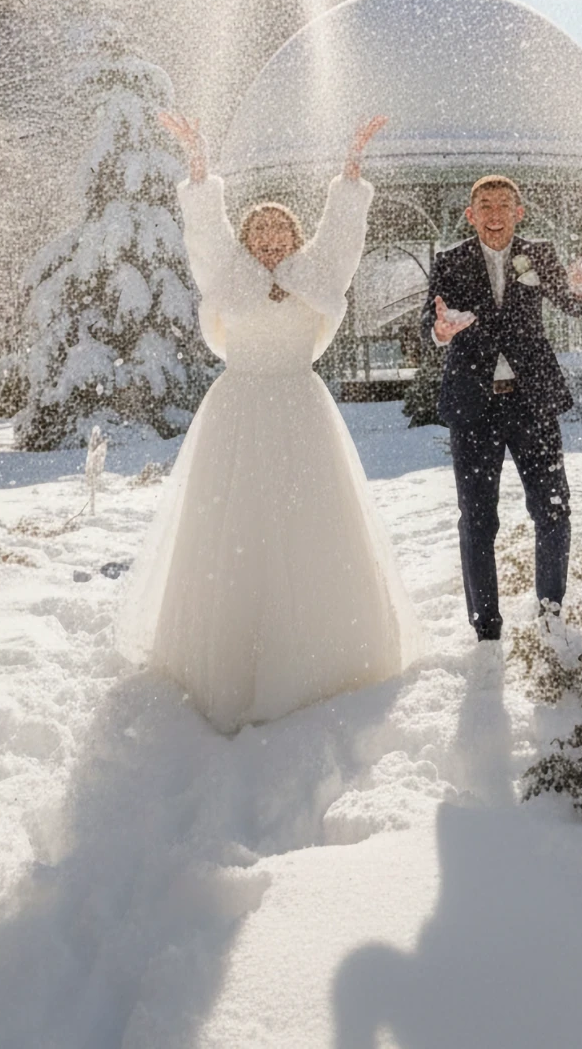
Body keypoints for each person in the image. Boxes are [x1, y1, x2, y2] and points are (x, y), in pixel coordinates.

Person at [114, 112, 421, 732]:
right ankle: (227, 656)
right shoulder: (227, 276)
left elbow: (343, 235)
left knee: (309, 520)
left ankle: (322, 656)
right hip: (237, 411)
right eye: (260, 228)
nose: (271, 236)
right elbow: (206, 233)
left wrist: (351, 171)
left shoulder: (319, 272)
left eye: (281, 227)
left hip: (301, 410)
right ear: (249, 238)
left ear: (295, 234)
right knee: (234, 524)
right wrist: (199, 167)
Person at [421, 177, 582, 641]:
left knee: (553, 509)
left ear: (518, 212)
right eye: (484, 205)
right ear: (471, 215)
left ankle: (550, 611)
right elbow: (431, 318)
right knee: (478, 519)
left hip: (533, 403)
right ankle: (486, 628)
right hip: (474, 409)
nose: (494, 213)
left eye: (504, 204)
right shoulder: (450, 261)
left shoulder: (540, 254)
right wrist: (441, 330)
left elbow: (572, 304)